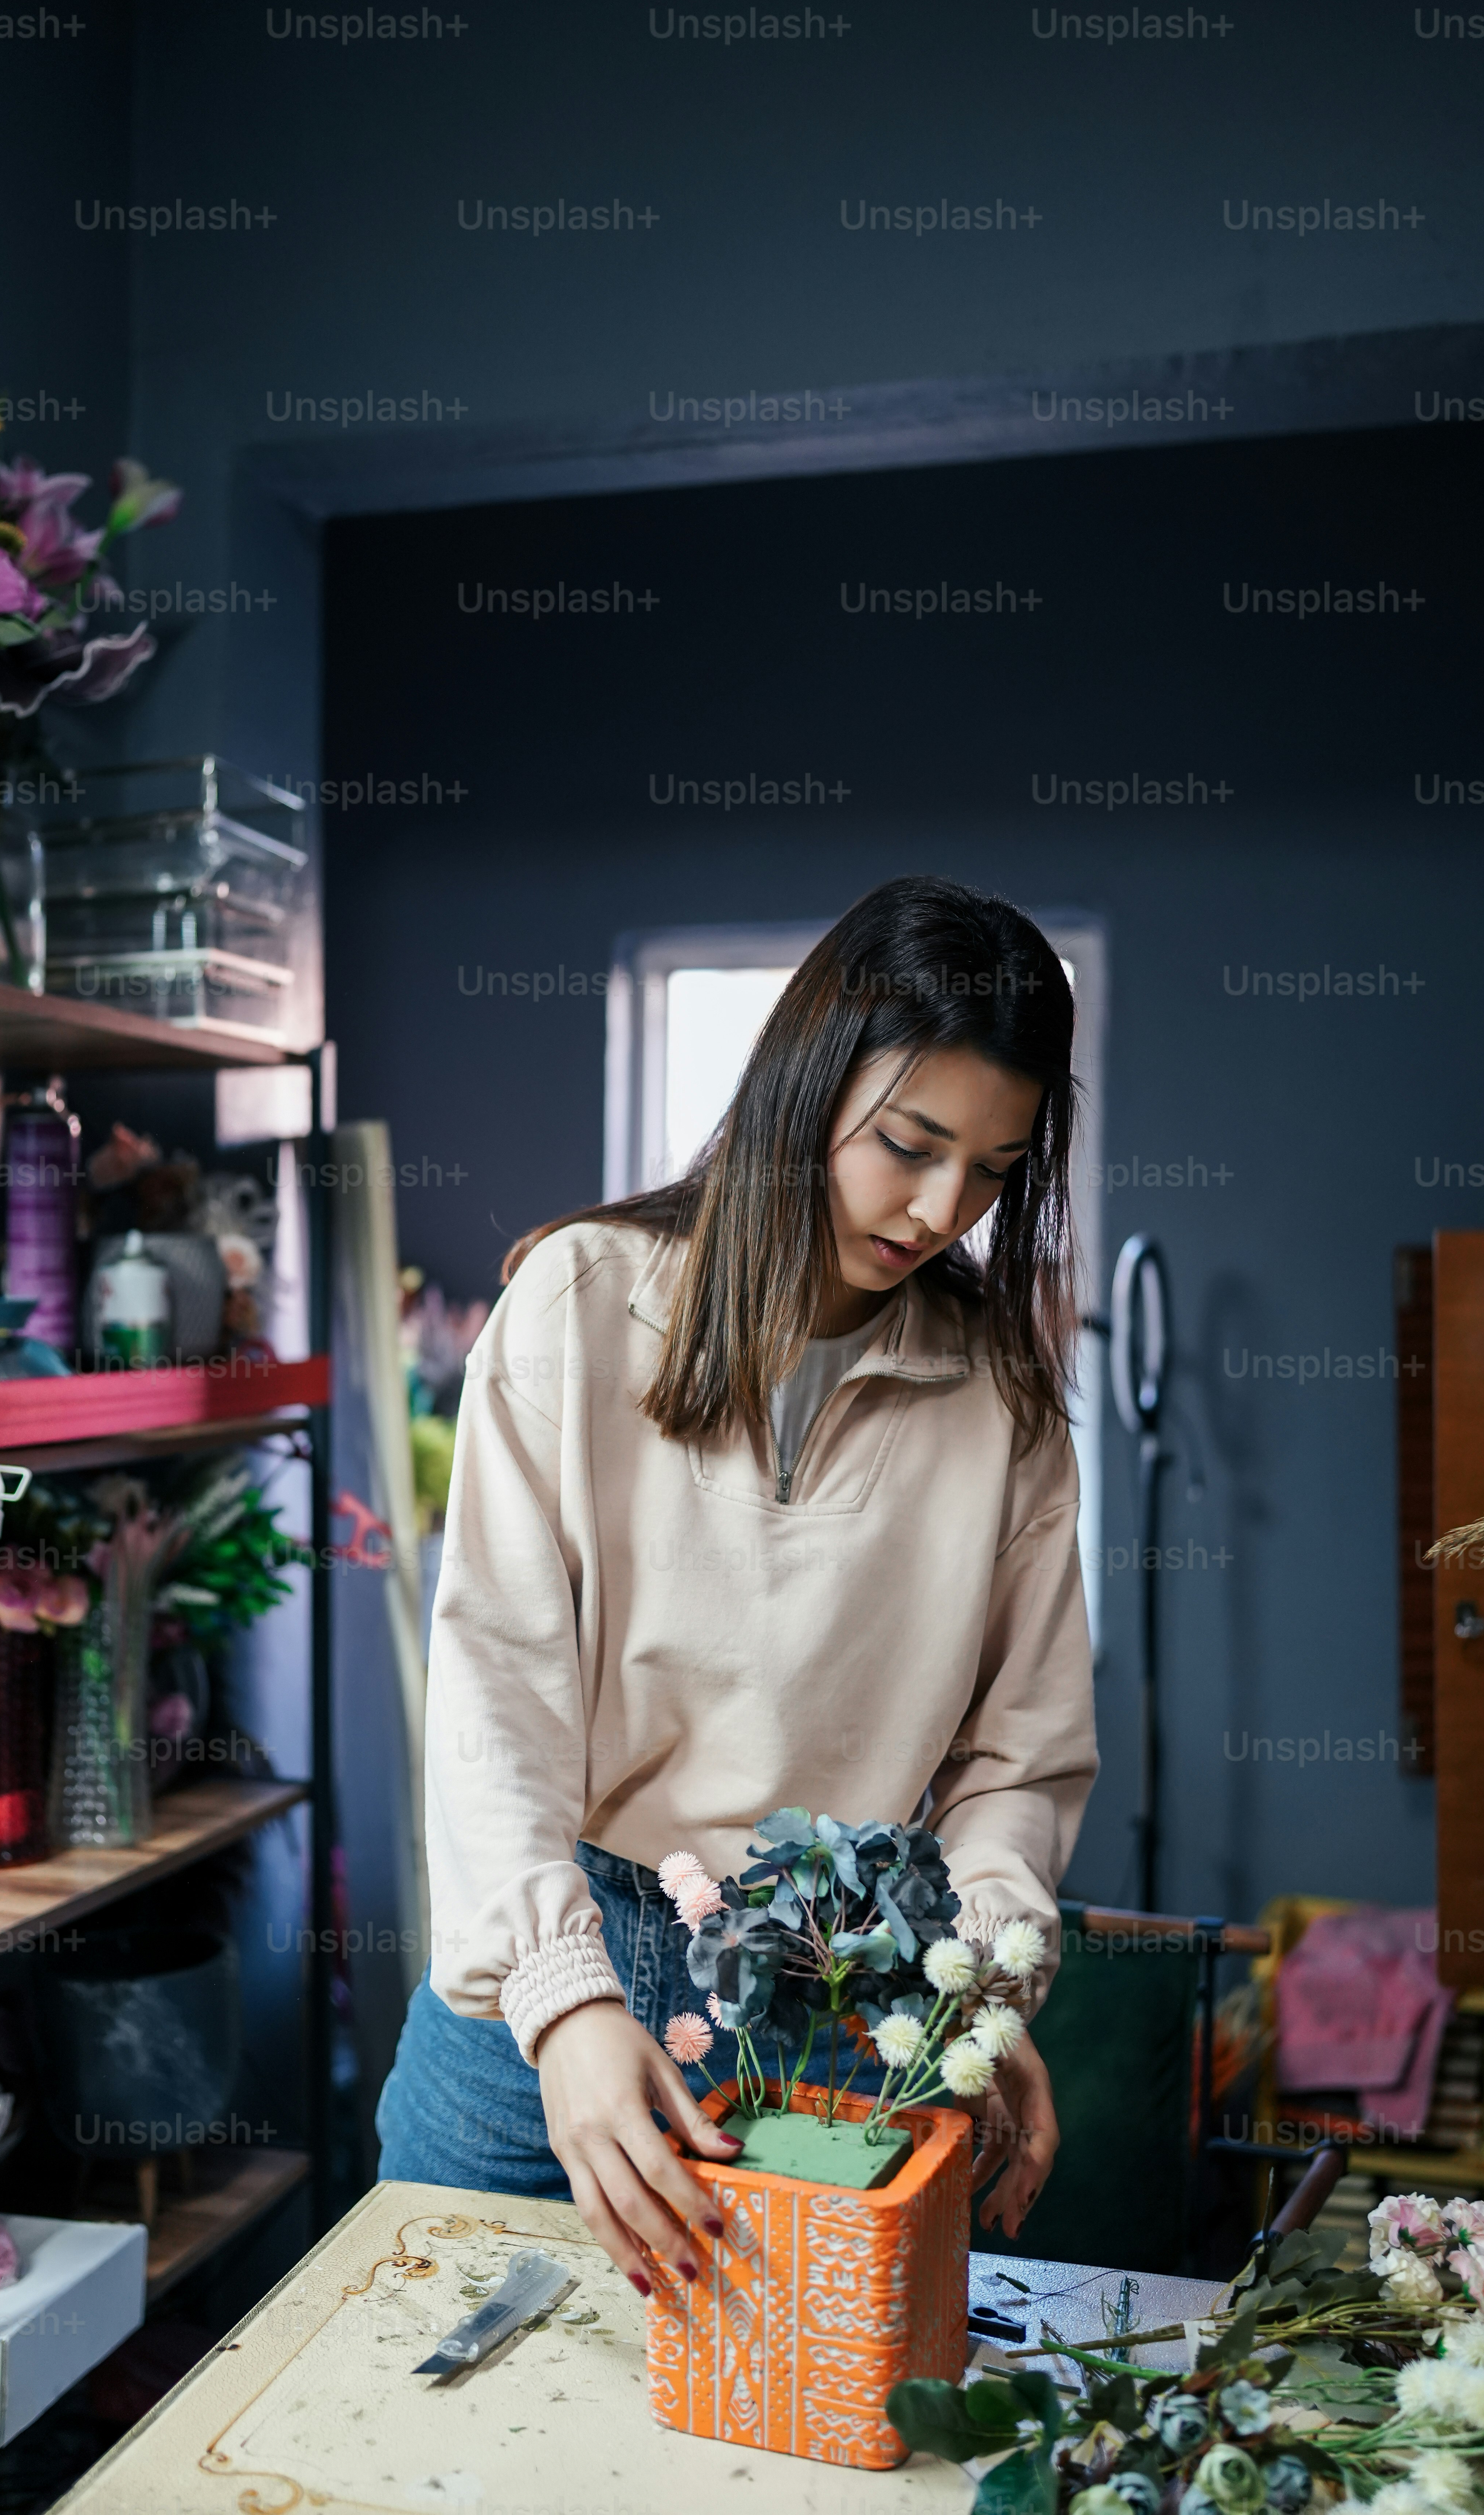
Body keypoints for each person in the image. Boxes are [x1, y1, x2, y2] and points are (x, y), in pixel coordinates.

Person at [376, 874, 1098, 2298]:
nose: (942, 1208)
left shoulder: (1001, 1397)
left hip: (836, 2019)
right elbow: (497, 1693)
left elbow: (1017, 1761)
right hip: (538, 2018)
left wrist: (981, 1976)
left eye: (994, 1171)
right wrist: (562, 1997)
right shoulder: (579, 1302)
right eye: (909, 1143)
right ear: (806, 1080)